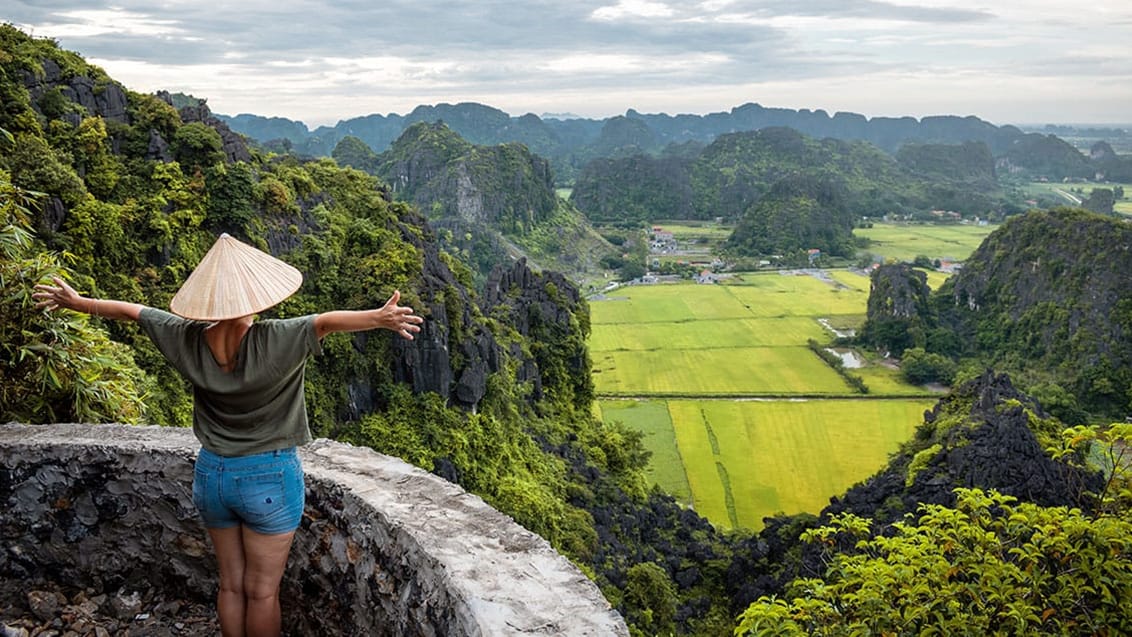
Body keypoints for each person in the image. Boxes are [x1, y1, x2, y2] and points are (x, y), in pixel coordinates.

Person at [33, 233, 423, 637]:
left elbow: (134, 312)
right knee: (263, 592)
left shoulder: (186, 337)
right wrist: (379, 317)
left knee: (232, 584)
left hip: (212, 476)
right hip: (269, 477)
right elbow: (324, 322)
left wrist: (78, 303)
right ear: (257, 297)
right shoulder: (277, 339)